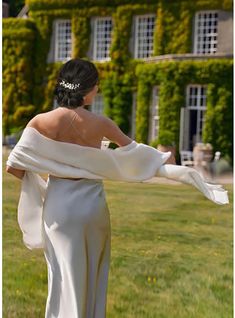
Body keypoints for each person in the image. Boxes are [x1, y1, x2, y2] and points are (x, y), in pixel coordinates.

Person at [6, 58, 228, 318]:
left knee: (63, 275)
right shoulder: (102, 123)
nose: (98, 90)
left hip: (60, 207)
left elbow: (15, 167)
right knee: (92, 274)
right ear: (87, 89)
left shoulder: (41, 122)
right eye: (96, 85)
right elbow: (135, 153)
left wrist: (44, 187)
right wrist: (163, 160)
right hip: (93, 206)